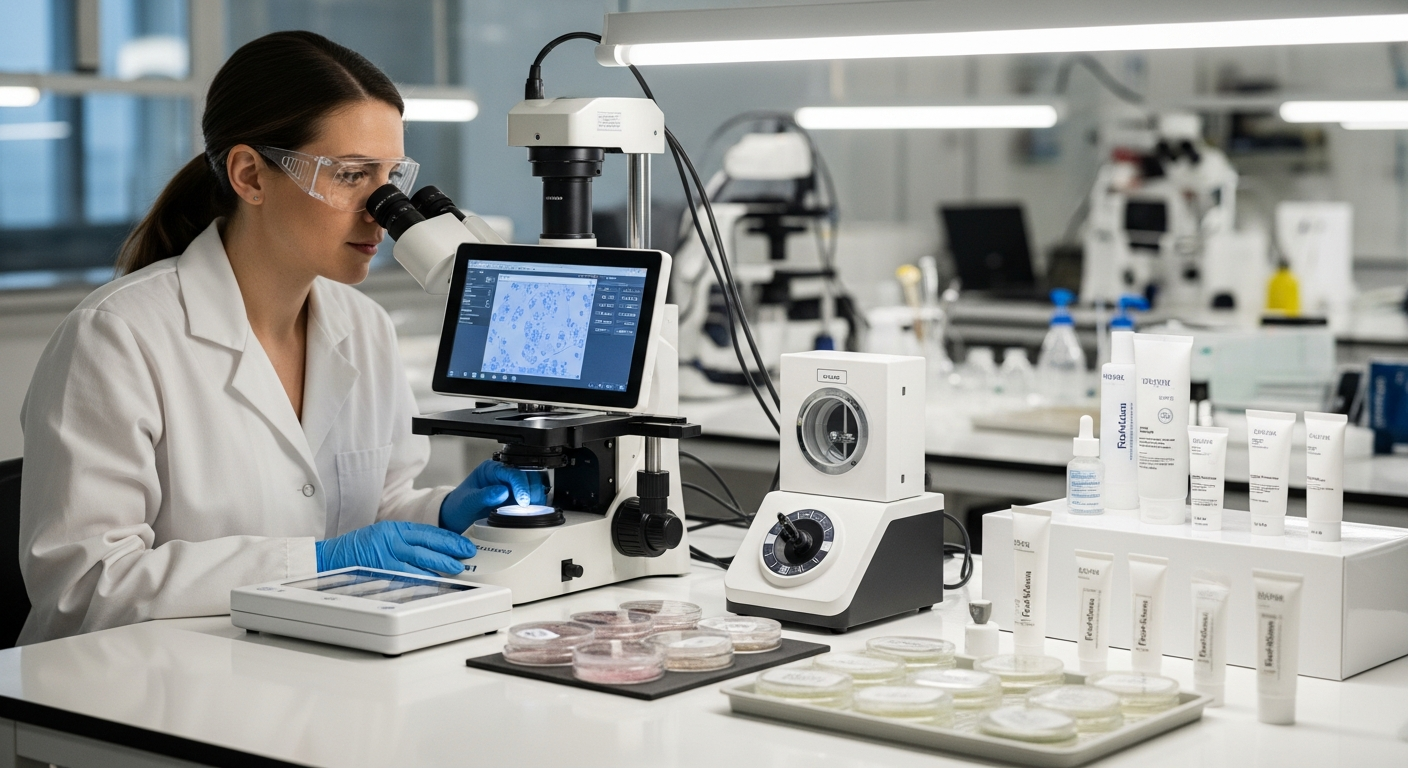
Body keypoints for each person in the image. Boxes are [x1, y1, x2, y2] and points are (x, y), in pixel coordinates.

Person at [16, 31, 544, 645]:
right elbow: (84, 587)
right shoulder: (117, 336)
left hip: (307, 662)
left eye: (391, 178)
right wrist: (315, 563)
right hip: (137, 681)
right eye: (352, 175)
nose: (381, 209)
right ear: (250, 176)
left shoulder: (363, 326)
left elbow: (375, 510)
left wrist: (443, 512)